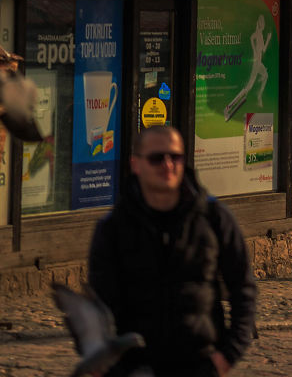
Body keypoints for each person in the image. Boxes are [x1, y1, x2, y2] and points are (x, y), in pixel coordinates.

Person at [89, 124, 256, 377]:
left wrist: (228, 355)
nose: (168, 165)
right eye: (157, 158)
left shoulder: (213, 218)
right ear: (136, 164)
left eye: (175, 157)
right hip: (134, 367)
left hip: (199, 364)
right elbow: (100, 303)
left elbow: (243, 287)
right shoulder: (113, 227)